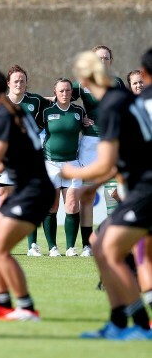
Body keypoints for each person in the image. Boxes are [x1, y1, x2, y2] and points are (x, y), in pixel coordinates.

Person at [61, 50, 152, 340]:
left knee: (111, 251)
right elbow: (118, 160)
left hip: (146, 189)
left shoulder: (112, 105)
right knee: (99, 244)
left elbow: (104, 161)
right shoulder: (123, 99)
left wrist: (69, 174)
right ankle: (118, 323)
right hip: (140, 187)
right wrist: (94, 186)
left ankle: (140, 324)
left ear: (84, 79)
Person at [0, 69, 54, 321]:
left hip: (33, 193)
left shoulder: (6, 116)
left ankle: (26, 308)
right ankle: (3, 305)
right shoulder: (12, 112)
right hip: (25, 190)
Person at [71, 45, 127, 258]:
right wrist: (80, 115)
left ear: (111, 61)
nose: (102, 61)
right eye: (98, 58)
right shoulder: (82, 83)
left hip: (112, 142)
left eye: (106, 58)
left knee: (114, 193)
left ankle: (115, 243)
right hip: (90, 143)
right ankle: (87, 245)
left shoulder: (118, 83)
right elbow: (63, 99)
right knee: (87, 195)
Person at [0, 65, 52, 257]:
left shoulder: (35, 100)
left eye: (22, 80)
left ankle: (33, 245)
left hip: (29, 159)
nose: (19, 84)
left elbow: (55, 106)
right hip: (6, 157)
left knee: (29, 201)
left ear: (26, 82)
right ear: (8, 83)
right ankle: (3, 242)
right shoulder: (1, 103)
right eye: (15, 81)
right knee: (4, 198)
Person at [41, 78, 85, 257]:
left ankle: (70, 247)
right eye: (61, 91)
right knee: (52, 206)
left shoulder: (79, 112)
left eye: (68, 90)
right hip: (50, 163)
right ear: (55, 92)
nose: (65, 94)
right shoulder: (46, 111)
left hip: (72, 164)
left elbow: (87, 125)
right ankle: (52, 247)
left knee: (73, 206)